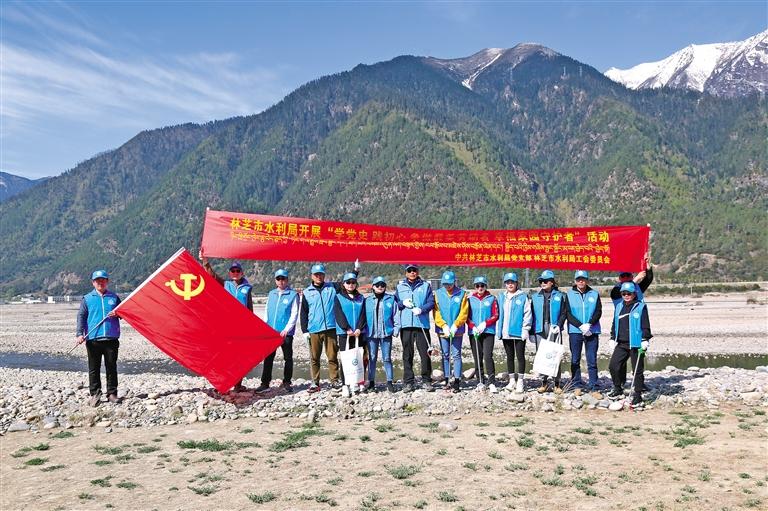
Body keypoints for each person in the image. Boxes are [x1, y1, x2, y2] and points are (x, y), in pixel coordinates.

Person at [300, 262, 359, 393]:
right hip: (314, 329)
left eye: (321, 274)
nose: (319, 277)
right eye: (316, 274)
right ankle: (315, 382)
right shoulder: (307, 292)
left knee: (332, 356)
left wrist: (356, 270)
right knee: (314, 358)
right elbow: (303, 312)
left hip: (331, 328)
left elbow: (348, 281)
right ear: (312, 276)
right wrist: (304, 330)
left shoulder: (332, 287)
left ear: (324, 275)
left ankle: (334, 380)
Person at [201, 256, 252, 392]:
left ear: (242, 273)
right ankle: (222, 384)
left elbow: (249, 308)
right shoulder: (226, 284)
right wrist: (205, 262)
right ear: (230, 273)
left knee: (239, 357)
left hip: (241, 327)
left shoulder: (247, 288)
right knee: (224, 356)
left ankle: (238, 384)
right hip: (226, 326)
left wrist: (252, 326)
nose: (235, 273)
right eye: (233, 271)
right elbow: (212, 276)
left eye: (237, 271)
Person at [76, 270, 122, 407]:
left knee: (111, 367)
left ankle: (112, 393)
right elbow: (81, 316)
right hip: (93, 339)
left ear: (107, 281)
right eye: (97, 280)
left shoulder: (114, 297)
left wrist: (117, 313)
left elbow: (123, 313)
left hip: (111, 338)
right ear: (93, 282)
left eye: (103, 280)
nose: (100, 282)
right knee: (94, 368)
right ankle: (95, 394)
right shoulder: (87, 298)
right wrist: (79, 334)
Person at [608, 282, 652, 407]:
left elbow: (645, 324)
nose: (626, 295)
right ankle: (618, 388)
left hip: (636, 343)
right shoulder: (618, 306)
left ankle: (637, 396)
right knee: (613, 366)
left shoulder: (640, 307)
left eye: (629, 293)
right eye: (624, 293)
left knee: (637, 371)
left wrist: (645, 339)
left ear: (634, 294)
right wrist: (612, 337)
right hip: (622, 343)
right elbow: (614, 323)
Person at [395, 264, 435, 393]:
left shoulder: (425, 286)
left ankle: (427, 380)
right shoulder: (400, 287)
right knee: (407, 354)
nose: (412, 272)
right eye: (410, 270)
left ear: (417, 272)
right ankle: (408, 382)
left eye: (414, 270)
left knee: (425, 354)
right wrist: (402, 303)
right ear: (406, 272)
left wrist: (421, 309)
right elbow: (395, 304)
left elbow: (431, 303)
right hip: (406, 325)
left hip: (421, 324)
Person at [260, 268, 299, 393]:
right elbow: (267, 310)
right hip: (271, 332)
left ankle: (287, 382)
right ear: (275, 280)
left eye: (283, 278)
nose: (281, 281)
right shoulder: (271, 294)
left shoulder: (293, 295)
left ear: (287, 280)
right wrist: (265, 326)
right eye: (278, 278)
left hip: (285, 333)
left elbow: (294, 314)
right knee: (268, 358)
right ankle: (265, 383)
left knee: (288, 358)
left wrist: (287, 329)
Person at [565, 270, 603, 396]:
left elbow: (598, 311)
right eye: (578, 279)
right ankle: (576, 385)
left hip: (592, 330)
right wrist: (580, 326)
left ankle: (594, 387)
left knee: (591, 360)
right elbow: (568, 313)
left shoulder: (594, 294)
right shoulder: (569, 294)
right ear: (575, 281)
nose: (581, 281)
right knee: (575, 359)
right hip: (575, 331)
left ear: (587, 280)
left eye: (583, 279)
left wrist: (589, 324)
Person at [530, 270, 567, 393]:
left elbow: (564, 312)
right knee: (542, 356)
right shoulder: (535, 297)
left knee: (555, 354)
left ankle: (557, 383)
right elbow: (532, 315)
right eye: (541, 281)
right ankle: (544, 383)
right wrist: (531, 332)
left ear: (551, 282)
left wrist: (559, 325)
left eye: (545, 281)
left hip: (554, 328)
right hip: (540, 328)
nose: (542, 283)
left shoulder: (560, 296)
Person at [433, 271, 469, 393]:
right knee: (445, 355)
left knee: (457, 354)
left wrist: (455, 325)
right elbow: (436, 312)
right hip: (442, 330)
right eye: (445, 284)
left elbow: (464, 312)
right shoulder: (438, 294)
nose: (447, 286)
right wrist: (443, 325)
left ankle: (457, 380)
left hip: (457, 330)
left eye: (449, 283)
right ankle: (447, 379)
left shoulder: (462, 294)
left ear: (454, 282)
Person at [334, 272, 368, 398]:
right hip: (345, 333)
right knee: (346, 359)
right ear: (344, 284)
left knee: (359, 357)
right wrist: (346, 328)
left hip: (359, 333)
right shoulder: (338, 297)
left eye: (353, 282)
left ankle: (359, 382)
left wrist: (359, 328)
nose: (350, 284)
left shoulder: (361, 298)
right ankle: (345, 385)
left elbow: (363, 314)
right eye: (348, 282)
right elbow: (338, 314)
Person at [496, 272, 532, 393]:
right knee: (509, 356)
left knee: (520, 356)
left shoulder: (522, 296)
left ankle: (520, 381)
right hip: (505, 332)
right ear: (505, 284)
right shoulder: (501, 297)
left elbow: (527, 313)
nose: (510, 285)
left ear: (517, 283)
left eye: (512, 282)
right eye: (508, 282)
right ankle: (512, 381)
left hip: (519, 332)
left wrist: (526, 329)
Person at [364, 276, 399, 394]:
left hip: (386, 333)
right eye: (377, 285)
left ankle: (389, 382)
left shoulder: (391, 299)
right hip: (371, 334)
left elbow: (396, 315)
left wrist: (396, 329)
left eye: (382, 285)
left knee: (387, 358)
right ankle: (371, 382)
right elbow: (363, 317)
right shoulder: (367, 300)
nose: (380, 287)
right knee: (372, 358)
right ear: (373, 287)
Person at [467, 276, 500, 393]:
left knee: (488, 356)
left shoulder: (492, 298)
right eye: (477, 286)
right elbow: (466, 316)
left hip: (488, 331)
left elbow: (496, 315)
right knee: (477, 357)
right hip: (474, 332)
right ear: (474, 287)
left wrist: (485, 323)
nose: (480, 288)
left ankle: (491, 382)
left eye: (482, 285)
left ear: (486, 286)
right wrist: (473, 326)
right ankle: (480, 381)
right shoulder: (470, 299)